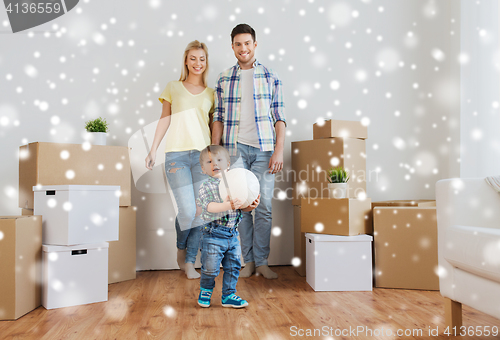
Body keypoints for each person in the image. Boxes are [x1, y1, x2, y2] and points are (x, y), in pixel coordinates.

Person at [211, 24, 286, 279]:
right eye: (238, 44)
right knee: (240, 205)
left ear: (255, 44)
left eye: (247, 43)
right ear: (232, 47)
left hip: (265, 149)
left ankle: (263, 261)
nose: (243, 48)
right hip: (235, 150)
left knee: (263, 206)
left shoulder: (271, 76)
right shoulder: (223, 79)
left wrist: (279, 150)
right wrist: (216, 151)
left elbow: (279, 116)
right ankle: (249, 261)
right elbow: (218, 117)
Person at [145, 40, 214, 279]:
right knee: (187, 210)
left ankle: (189, 263)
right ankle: (181, 248)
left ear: (206, 62)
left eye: (202, 59)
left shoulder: (212, 94)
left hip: (203, 158)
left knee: (199, 211)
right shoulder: (173, 87)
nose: (198, 63)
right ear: (186, 60)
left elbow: (214, 127)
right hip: (176, 155)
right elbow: (164, 119)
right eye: (193, 58)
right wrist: (153, 149)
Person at [196, 145, 260, 308]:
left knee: (233, 266)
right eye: (209, 162)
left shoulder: (236, 183)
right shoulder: (206, 186)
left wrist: (251, 205)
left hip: (232, 235)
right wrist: (226, 205)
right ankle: (206, 290)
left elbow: (241, 206)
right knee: (210, 268)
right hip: (212, 235)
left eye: (219, 160)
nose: (214, 164)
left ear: (228, 164)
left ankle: (229, 295)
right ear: (203, 169)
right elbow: (208, 207)